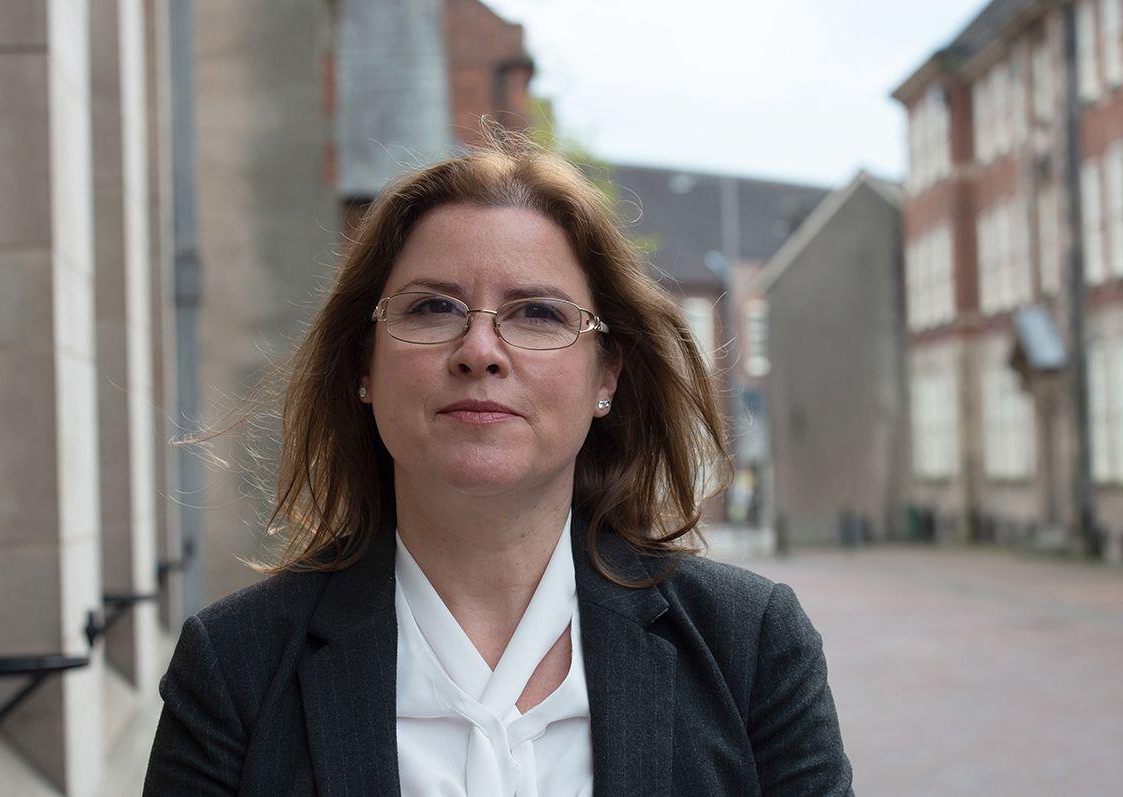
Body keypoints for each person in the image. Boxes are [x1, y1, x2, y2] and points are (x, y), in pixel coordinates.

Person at [143, 135, 854, 796]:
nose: (479, 349)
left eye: (538, 314)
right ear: (364, 364)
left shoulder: (751, 647)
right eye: (431, 307)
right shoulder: (235, 667)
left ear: (607, 374)